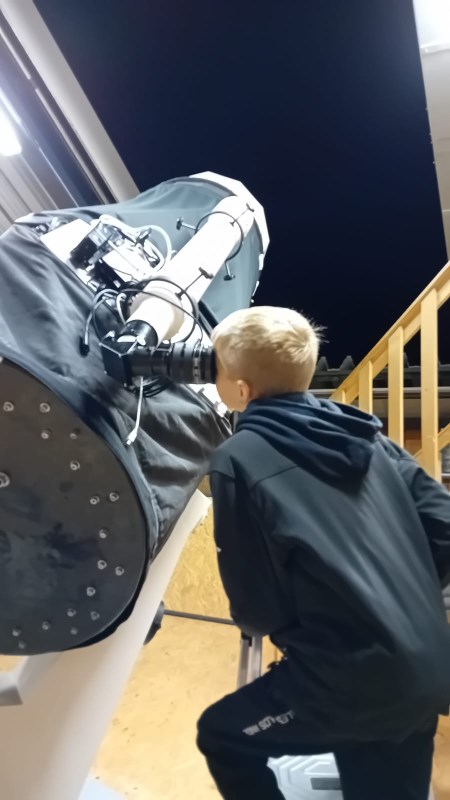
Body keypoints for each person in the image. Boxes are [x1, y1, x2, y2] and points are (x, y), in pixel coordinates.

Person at [196, 306, 450, 800]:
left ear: (241, 390)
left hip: (348, 682)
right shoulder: (367, 435)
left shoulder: (238, 458)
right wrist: (401, 603)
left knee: (224, 736)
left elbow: (256, 608)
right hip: (427, 667)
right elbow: (443, 528)